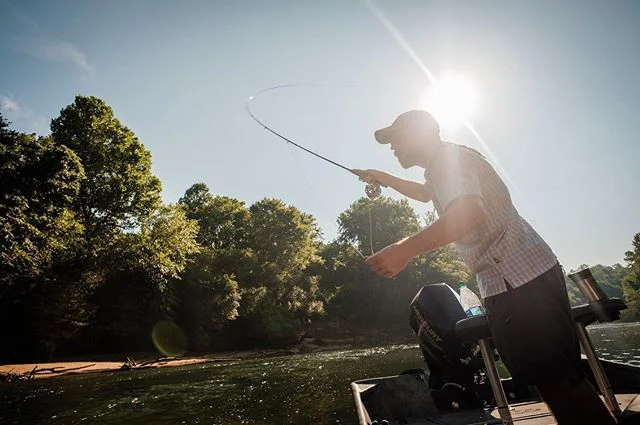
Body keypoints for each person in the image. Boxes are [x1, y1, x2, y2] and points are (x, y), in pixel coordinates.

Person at [353, 110, 615, 425]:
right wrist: (381, 177)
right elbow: (425, 195)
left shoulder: (449, 163)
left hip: (515, 281)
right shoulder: (447, 164)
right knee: (560, 379)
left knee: (557, 383)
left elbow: (468, 212)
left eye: (396, 138)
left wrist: (404, 250)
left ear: (419, 136)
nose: (392, 147)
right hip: (527, 274)